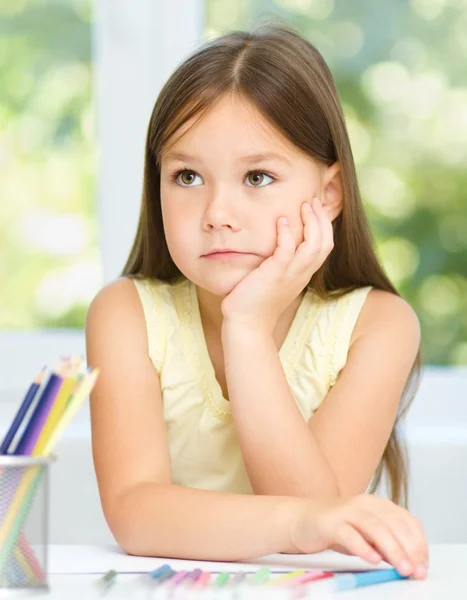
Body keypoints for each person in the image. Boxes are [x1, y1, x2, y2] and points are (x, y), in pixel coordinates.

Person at [85, 23, 428, 580]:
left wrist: (246, 329)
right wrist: (302, 522)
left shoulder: (379, 325)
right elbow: (134, 513)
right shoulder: (125, 314)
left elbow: (318, 522)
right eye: (188, 175)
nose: (218, 212)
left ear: (328, 194)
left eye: (258, 176)